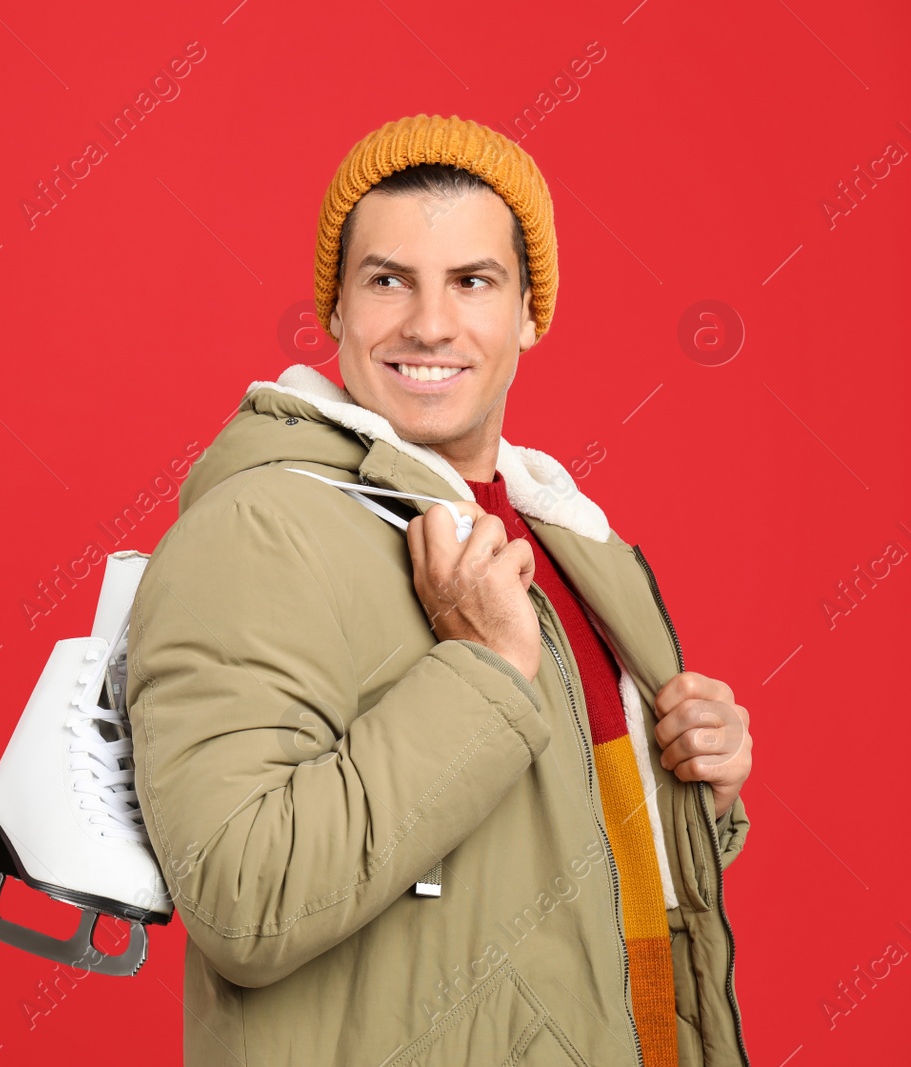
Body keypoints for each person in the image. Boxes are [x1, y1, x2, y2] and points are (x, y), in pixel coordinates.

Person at [125, 113, 753, 1067]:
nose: (428, 324)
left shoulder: (569, 543)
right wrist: (482, 673)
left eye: (472, 282)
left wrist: (696, 791)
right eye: (388, 280)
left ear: (531, 313)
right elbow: (239, 898)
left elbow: (554, 875)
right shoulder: (258, 529)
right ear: (335, 307)